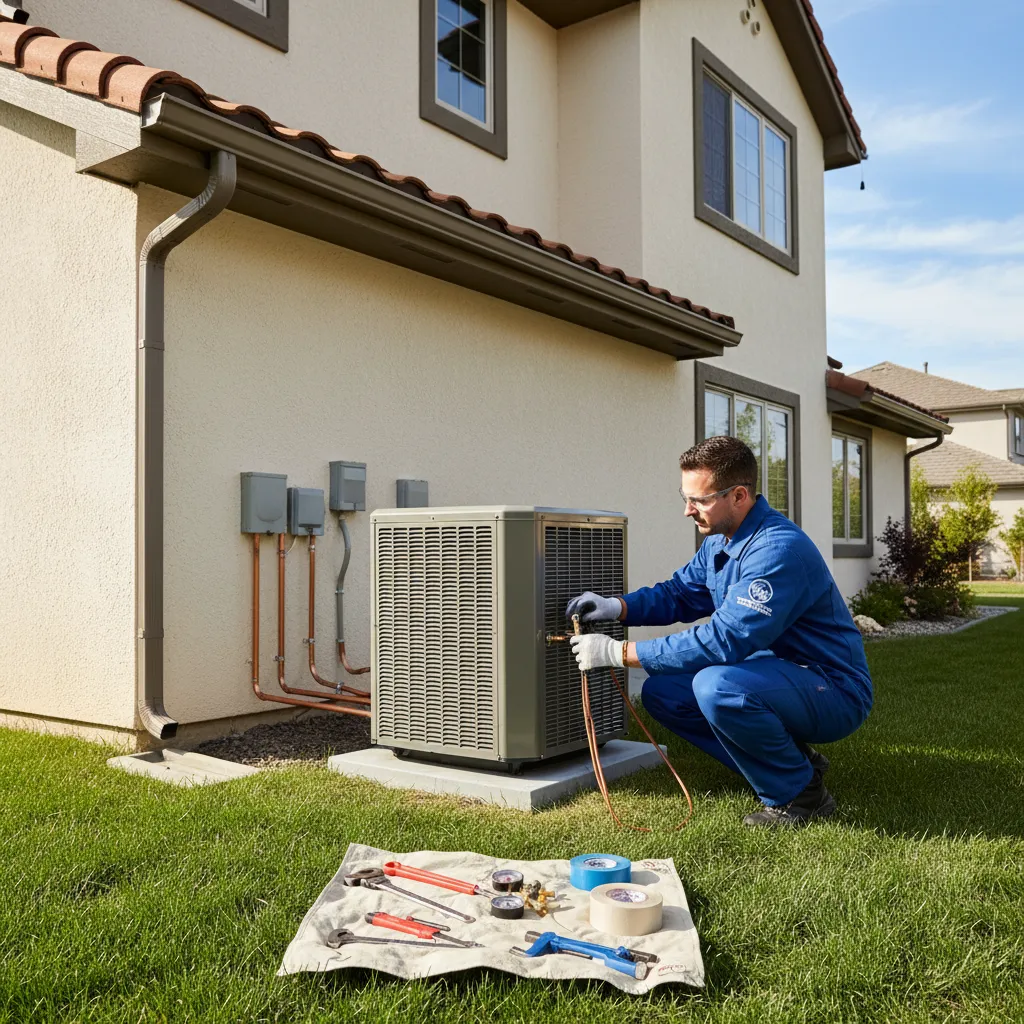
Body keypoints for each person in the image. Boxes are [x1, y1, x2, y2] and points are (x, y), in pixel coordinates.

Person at [566, 435, 872, 828]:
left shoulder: (776, 551)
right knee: (664, 692)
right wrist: (615, 606)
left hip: (832, 689)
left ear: (739, 495)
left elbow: (724, 641)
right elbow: (679, 595)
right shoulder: (721, 541)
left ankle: (800, 796)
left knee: (719, 687)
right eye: (685, 496)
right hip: (780, 675)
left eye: (699, 500)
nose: (687, 510)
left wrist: (617, 653)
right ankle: (794, 762)